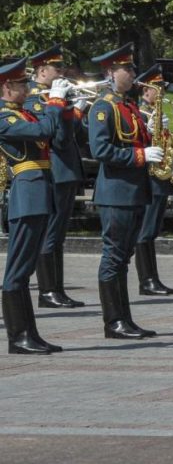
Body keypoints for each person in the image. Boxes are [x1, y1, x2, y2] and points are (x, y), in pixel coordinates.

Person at [88, 43, 161, 339]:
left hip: (133, 190)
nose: (132, 73)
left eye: (132, 68)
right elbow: (101, 150)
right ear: (110, 72)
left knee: (123, 258)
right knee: (113, 256)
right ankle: (113, 321)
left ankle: (124, 319)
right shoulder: (103, 107)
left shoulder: (127, 105)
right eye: (126, 69)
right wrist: (141, 155)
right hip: (116, 192)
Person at [0, 58, 67, 354]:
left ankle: (30, 333)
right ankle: (18, 337)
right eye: (21, 84)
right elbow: (43, 132)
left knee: (25, 269)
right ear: (6, 87)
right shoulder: (5, 117)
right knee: (17, 269)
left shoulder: (23, 113)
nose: (27, 89)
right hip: (27, 195)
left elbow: (55, 133)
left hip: (40, 192)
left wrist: (63, 107)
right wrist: (55, 101)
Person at [25, 45, 85, 309]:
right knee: (50, 233)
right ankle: (47, 291)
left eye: (62, 67)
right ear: (41, 70)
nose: (62, 72)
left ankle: (57, 289)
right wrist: (69, 110)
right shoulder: (35, 99)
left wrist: (74, 110)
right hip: (54, 170)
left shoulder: (53, 97)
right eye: (56, 68)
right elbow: (57, 138)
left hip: (66, 170)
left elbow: (75, 135)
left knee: (58, 234)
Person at [135, 64, 173, 296]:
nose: (163, 92)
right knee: (146, 231)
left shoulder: (157, 113)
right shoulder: (140, 114)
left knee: (152, 230)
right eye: (158, 88)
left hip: (160, 178)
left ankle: (152, 278)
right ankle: (147, 280)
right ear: (146, 91)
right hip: (149, 178)